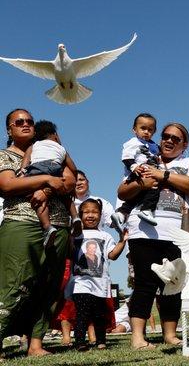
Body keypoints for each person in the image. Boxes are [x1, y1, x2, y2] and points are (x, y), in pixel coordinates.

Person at [0, 109, 75, 357]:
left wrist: (47, 190)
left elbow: (69, 181)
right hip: (21, 223)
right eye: (18, 122)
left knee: (50, 284)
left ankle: (36, 343)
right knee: (14, 282)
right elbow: (8, 185)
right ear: (9, 129)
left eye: (30, 121)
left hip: (59, 225)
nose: (26, 124)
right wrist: (47, 179)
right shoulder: (4, 156)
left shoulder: (51, 148)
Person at [117, 122, 189, 349]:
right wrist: (144, 182)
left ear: (184, 144)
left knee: (172, 283)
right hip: (143, 230)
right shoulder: (145, 157)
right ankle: (137, 338)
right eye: (166, 136)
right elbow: (122, 191)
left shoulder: (188, 164)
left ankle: (169, 335)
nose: (169, 140)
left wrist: (163, 175)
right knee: (144, 284)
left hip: (176, 232)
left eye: (176, 139)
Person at [71, 198, 127, 351]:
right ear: (80, 215)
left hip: (101, 283)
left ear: (101, 215)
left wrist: (122, 241)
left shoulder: (106, 236)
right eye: (86, 212)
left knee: (99, 315)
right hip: (80, 282)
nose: (91, 215)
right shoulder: (76, 235)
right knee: (82, 314)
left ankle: (101, 341)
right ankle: (80, 342)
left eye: (95, 212)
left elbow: (112, 255)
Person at [20, 120, 81, 246]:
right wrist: (73, 182)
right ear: (54, 135)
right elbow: (73, 168)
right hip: (56, 168)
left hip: (38, 169)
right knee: (65, 196)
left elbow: (26, 159)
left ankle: (48, 227)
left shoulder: (34, 146)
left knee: (40, 200)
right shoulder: (61, 149)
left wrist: (23, 171)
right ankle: (75, 217)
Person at [112, 113, 161, 230]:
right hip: (138, 172)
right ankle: (147, 210)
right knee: (154, 188)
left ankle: (122, 213)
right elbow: (126, 157)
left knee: (137, 196)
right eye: (143, 128)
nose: (146, 132)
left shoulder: (154, 145)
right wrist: (134, 167)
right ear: (134, 129)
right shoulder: (133, 142)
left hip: (149, 171)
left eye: (150, 130)